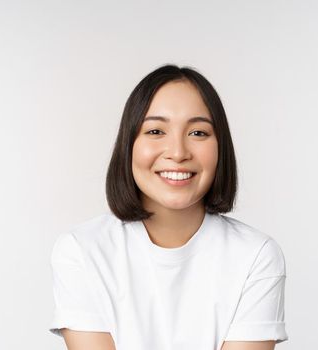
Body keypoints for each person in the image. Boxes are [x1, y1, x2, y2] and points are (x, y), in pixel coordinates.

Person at [48, 64, 288, 350]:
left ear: (220, 148)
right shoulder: (82, 250)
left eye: (198, 133)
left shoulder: (255, 256)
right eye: (156, 131)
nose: (177, 152)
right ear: (129, 145)